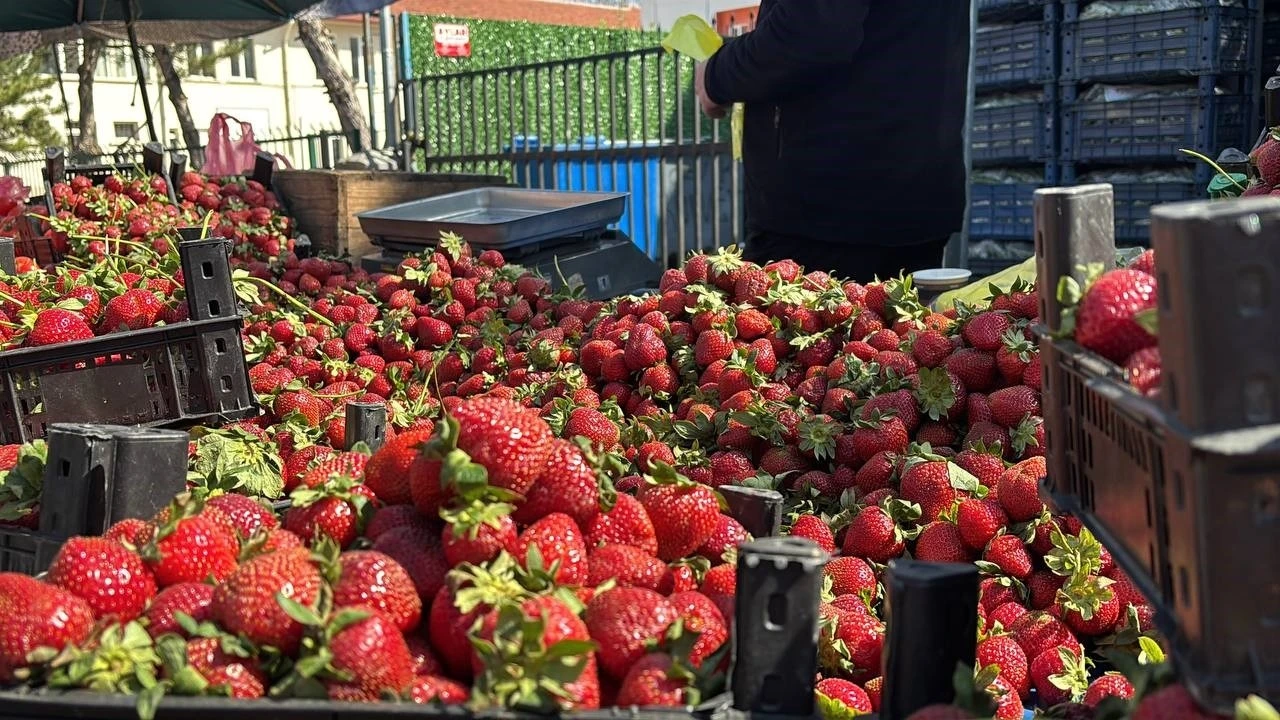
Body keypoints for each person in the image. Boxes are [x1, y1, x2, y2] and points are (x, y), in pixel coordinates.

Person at [695, 1, 970, 283]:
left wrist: (714, 75)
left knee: (800, 310)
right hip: (909, 194)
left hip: (827, 208)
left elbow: (812, 29)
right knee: (899, 309)